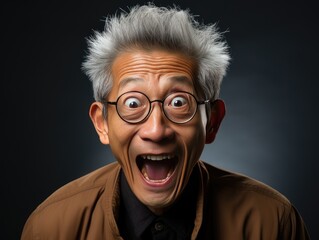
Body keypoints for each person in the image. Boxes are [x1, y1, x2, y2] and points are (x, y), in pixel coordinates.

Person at [21, 3, 310, 240]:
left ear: (212, 122)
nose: (156, 130)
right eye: (133, 104)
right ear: (102, 123)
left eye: (178, 102)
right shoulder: (51, 228)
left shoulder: (273, 223)